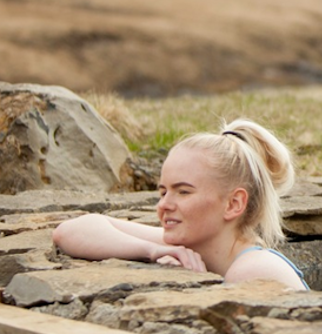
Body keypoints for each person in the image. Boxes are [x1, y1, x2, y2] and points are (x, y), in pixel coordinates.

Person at [52, 118, 308, 290]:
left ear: (233, 204)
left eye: (183, 192)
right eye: (163, 192)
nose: (164, 205)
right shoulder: (184, 245)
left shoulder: (254, 272)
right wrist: (151, 251)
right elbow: (71, 231)